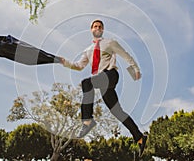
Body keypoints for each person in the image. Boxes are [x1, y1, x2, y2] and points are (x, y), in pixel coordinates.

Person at [59, 19, 147, 156]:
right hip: (101, 82)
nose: (97, 28)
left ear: (103, 30)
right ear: (91, 30)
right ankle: (139, 137)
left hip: (111, 75)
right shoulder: (88, 50)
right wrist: (65, 62)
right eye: (95, 26)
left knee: (86, 83)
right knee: (117, 112)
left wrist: (134, 70)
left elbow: (125, 55)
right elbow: (78, 66)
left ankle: (87, 121)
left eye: (100, 26)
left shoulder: (110, 42)